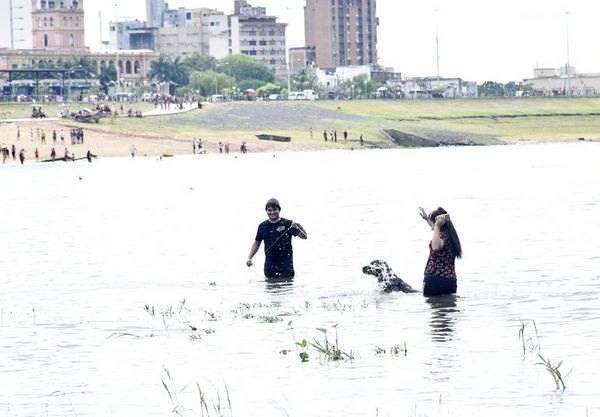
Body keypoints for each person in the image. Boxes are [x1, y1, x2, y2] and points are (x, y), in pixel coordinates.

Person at [246, 198, 307, 280]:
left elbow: (304, 237)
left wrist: (299, 227)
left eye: (275, 210)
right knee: (271, 289)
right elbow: (257, 243)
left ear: (279, 210)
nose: (272, 212)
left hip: (286, 265)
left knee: (286, 289)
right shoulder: (262, 226)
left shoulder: (287, 223)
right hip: (269, 265)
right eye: (269, 210)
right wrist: (249, 257)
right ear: (266, 211)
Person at [419, 207, 462, 296]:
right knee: (449, 307)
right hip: (450, 280)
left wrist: (437, 226)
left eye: (432, 223)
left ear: (438, 223)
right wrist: (427, 219)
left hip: (434, 279)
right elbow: (434, 229)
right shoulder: (450, 234)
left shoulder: (441, 235)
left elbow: (435, 247)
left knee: (433, 306)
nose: (432, 226)